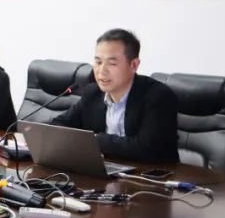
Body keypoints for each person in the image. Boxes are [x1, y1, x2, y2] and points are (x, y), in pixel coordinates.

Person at [50, 28, 179, 163]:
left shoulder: (158, 97)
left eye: (112, 63)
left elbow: (147, 148)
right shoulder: (92, 93)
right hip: (106, 170)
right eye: (98, 62)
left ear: (134, 65)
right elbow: (57, 126)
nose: (101, 71)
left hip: (152, 173)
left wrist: (95, 140)